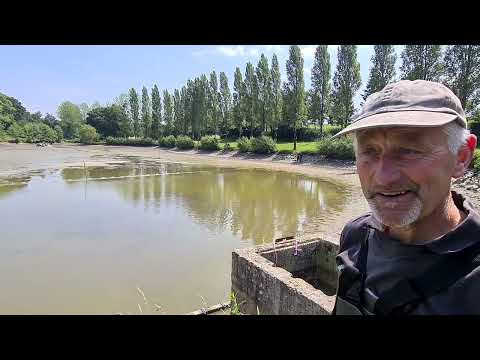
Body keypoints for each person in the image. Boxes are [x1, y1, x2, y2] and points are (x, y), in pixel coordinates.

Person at [331, 80, 479, 315]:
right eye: (369, 151)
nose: (383, 178)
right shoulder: (355, 236)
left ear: (461, 157)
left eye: (409, 151)